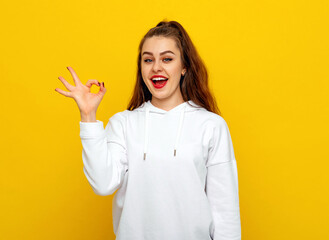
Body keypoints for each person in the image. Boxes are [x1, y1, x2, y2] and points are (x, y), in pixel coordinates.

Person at [55, 20, 241, 240]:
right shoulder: (123, 124)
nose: (156, 67)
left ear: (184, 67)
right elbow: (103, 184)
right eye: (148, 60)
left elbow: (225, 211)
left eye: (167, 59)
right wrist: (88, 116)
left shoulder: (210, 125)